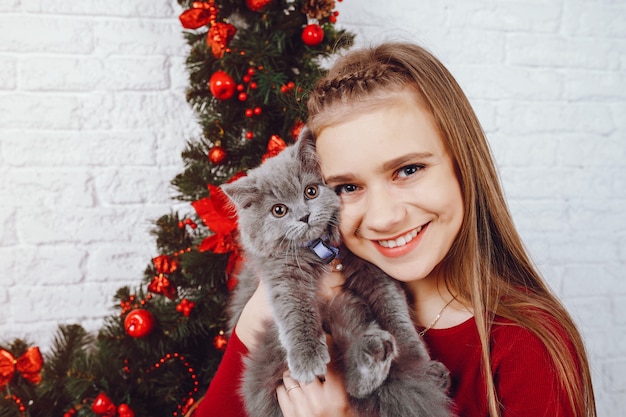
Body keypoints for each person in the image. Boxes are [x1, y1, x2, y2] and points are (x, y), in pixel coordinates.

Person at [192, 42, 597, 417]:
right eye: (347, 187)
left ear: (462, 164)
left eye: (408, 170)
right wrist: (258, 315)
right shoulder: (322, 305)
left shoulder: (525, 346)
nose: (384, 217)